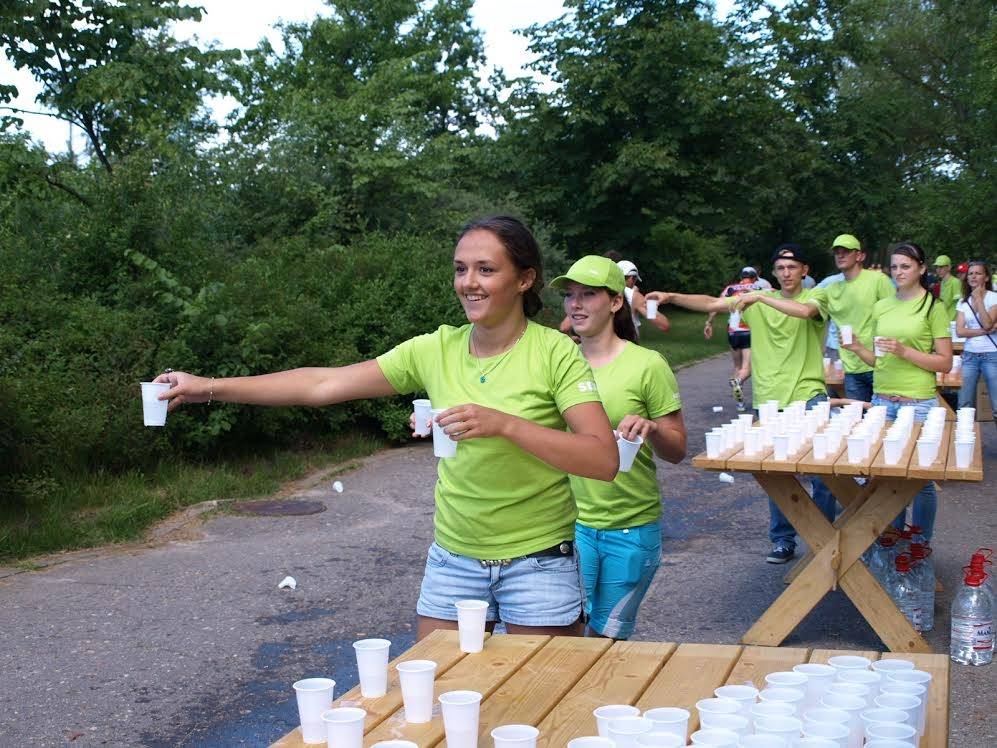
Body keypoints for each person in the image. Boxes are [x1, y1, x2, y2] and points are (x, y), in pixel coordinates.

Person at [154, 215, 619, 639]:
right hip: (454, 559)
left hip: (538, 563)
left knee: (532, 713)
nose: (469, 283)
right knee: (440, 704)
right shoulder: (434, 349)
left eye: (485, 269)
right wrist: (207, 387)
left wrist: (503, 425)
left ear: (525, 279)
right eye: (460, 269)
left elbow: (601, 459)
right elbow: (321, 384)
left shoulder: (556, 353)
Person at [646, 244, 838, 564]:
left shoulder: (815, 298)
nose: (787, 273)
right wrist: (669, 296)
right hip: (770, 401)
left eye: (793, 267)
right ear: (774, 272)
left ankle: (825, 536)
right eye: (781, 268)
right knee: (778, 476)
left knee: (823, 474)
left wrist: (761, 296)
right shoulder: (755, 302)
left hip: (808, 396)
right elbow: (712, 302)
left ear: (805, 271)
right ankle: (783, 540)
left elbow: (805, 313)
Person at [552, 255, 687, 639]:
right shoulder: (556, 361)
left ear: (615, 302)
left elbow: (677, 450)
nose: (575, 304)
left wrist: (652, 428)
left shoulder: (647, 365)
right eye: (570, 295)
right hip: (565, 525)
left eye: (588, 294)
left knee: (604, 643)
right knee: (564, 641)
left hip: (629, 528)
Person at [840, 243, 952, 540]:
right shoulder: (882, 306)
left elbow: (945, 361)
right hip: (881, 401)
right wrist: (857, 348)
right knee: (885, 477)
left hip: (918, 404)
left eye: (906, 266)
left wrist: (904, 350)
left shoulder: (933, 306)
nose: (899, 272)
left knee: (920, 481)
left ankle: (919, 547)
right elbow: (879, 360)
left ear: (921, 269)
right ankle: (892, 543)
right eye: (895, 267)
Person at [821, 234, 897, 403]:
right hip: (851, 368)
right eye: (837, 252)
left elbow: (896, 315)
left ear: (860, 256)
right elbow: (805, 306)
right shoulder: (831, 288)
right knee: (857, 421)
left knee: (886, 420)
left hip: (880, 365)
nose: (840, 255)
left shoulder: (878, 280)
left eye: (846, 251)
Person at [704, 267, 757, 410]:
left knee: (737, 366)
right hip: (748, 329)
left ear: (741, 276)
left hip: (733, 331)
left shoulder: (731, 288)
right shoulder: (758, 287)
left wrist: (709, 323)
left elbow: (716, 305)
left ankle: (739, 403)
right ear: (754, 277)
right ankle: (738, 381)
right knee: (747, 368)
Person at [956, 260, 997, 428]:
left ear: (986, 277)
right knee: (964, 403)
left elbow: (987, 322)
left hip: (991, 355)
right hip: (970, 355)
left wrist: (979, 299)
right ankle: (964, 440)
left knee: (996, 404)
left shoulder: (994, 297)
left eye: (978, 273)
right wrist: (986, 331)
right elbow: (960, 331)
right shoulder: (962, 302)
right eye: (970, 273)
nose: (973, 276)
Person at [618, 260, 671, 339]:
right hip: (628, 347)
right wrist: (651, 303)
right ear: (632, 278)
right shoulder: (634, 296)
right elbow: (663, 325)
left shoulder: (602, 293)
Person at [933, 254, 961, 320]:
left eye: (941, 267)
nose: (938, 270)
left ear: (949, 267)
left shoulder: (955, 282)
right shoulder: (942, 282)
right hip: (944, 319)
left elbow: (960, 304)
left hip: (954, 321)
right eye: (937, 267)